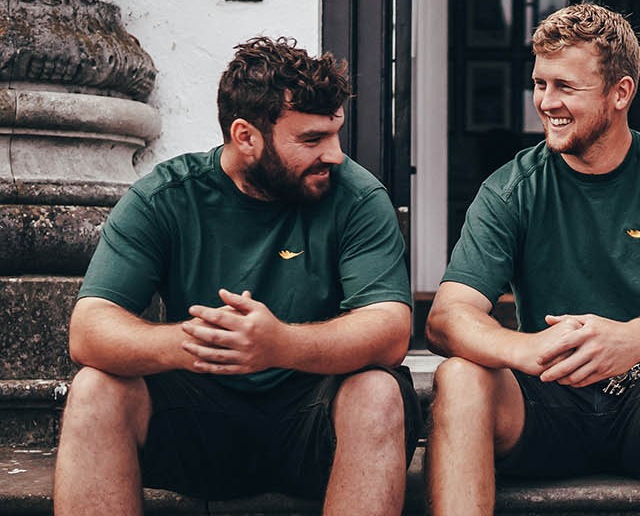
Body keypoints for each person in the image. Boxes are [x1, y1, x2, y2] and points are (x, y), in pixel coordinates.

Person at [53, 37, 418, 515]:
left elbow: (389, 330)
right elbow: (89, 330)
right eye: (311, 140)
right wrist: (203, 343)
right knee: (95, 389)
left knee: (378, 390)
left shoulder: (358, 196)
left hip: (316, 427)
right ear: (245, 136)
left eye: (334, 134)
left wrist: (279, 344)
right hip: (201, 422)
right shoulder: (165, 198)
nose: (333, 154)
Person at [425, 3, 640, 515]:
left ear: (620, 92)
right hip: (545, 399)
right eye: (540, 83)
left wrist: (631, 339)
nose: (545, 102)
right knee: (460, 376)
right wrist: (523, 349)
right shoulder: (513, 187)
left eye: (565, 87)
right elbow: (447, 318)